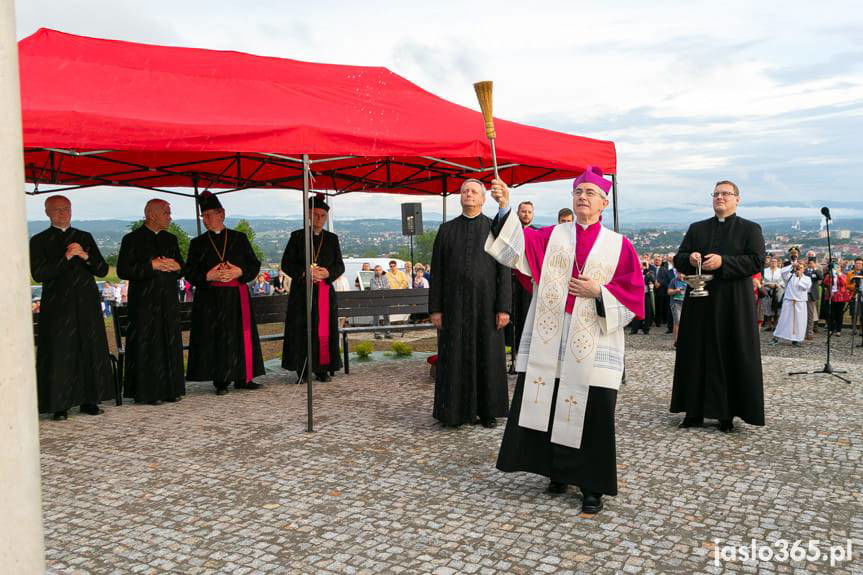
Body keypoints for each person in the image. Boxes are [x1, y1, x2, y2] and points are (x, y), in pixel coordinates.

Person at [486, 167, 644, 514]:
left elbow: (634, 298)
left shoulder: (620, 246)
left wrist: (598, 291)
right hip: (552, 338)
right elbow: (516, 248)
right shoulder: (552, 236)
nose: (582, 197)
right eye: (578, 192)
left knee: (592, 413)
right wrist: (504, 206)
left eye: (590, 193)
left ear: (603, 202)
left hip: (595, 342)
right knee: (552, 402)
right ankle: (556, 471)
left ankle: (592, 487)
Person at [671, 180, 765, 433]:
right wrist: (689, 259)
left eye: (725, 194)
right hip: (700, 305)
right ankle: (693, 411)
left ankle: (726, 414)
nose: (720, 198)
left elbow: (756, 261)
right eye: (716, 194)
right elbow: (678, 259)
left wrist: (724, 262)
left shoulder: (750, 229)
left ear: (737, 199)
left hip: (733, 304)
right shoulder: (697, 228)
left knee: (729, 352)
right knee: (695, 354)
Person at [430, 178, 511, 429]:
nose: (469, 195)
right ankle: (453, 412)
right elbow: (438, 271)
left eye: (474, 191)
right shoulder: (446, 230)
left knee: (487, 356)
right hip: (452, 307)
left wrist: (504, 307)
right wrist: (435, 309)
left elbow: (504, 270)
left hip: (487, 306)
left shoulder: (494, 228)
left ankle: (488, 411)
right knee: (453, 358)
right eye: (465, 191)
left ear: (483, 198)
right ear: (460, 197)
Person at [29, 195, 114, 420]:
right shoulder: (39, 240)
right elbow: (39, 274)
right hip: (58, 306)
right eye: (57, 210)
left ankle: (90, 399)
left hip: (86, 304)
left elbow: (103, 270)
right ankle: (60, 404)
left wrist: (85, 255)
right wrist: (66, 257)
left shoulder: (84, 237)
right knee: (60, 353)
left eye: (66, 209)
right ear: (47, 212)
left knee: (89, 349)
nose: (63, 213)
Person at [185, 191, 265, 394]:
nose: (206, 220)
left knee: (240, 336)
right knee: (217, 338)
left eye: (209, 215)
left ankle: (244, 377)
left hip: (237, 297)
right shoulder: (197, 243)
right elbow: (190, 272)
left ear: (222, 214)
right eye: (203, 216)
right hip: (210, 299)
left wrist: (239, 271)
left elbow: (253, 265)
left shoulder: (239, 238)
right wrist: (208, 276)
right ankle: (220, 380)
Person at [116, 199, 186, 404]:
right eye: (166, 213)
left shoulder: (171, 239)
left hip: (168, 301)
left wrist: (175, 267)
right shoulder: (132, 239)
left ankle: (171, 389)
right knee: (148, 346)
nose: (170, 217)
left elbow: (182, 266)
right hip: (144, 304)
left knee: (169, 342)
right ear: (152, 214)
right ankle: (148, 392)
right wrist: (151, 265)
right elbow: (123, 270)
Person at [281, 193, 345, 382]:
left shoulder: (332, 239)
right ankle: (301, 369)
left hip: (324, 292)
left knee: (323, 330)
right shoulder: (297, 237)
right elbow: (286, 264)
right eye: (315, 215)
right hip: (302, 293)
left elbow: (340, 265)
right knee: (301, 330)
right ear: (308, 215)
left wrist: (327, 273)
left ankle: (322, 369)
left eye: (322, 216)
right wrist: (303, 273)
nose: (319, 219)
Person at [772, 262, 811, 347]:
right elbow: (782, 272)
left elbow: (805, 287)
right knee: (783, 320)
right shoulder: (789, 277)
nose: (799, 269)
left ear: (804, 269)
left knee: (799, 322)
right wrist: (792, 265)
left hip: (800, 303)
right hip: (789, 302)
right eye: (797, 267)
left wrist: (800, 277)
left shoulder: (807, 278)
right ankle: (776, 337)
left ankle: (796, 339)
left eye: (801, 268)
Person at [823, 262, 850, 336]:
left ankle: (838, 330)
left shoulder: (843, 275)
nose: (836, 269)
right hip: (831, 296)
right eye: (835, 268)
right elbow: (825, 283)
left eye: (838, 268)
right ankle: (831, 329)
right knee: (831, 313)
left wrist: (839, 275)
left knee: (839, 314)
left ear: (840, 268)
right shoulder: (830, 275)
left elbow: (843, 283)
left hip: (840, 297)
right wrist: (829, 276)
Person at [629, 261, 655, 334]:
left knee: (647, 312)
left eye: (644, 264)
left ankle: (646, 329)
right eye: (641, 264)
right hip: (637, 295)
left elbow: (652, 280)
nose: (642, 265)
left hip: (646, 294)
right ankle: (634, 329)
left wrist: (647, 269)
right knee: (636, 312)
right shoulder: (634, 272)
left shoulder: (650, 272)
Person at [369, 264, 392, 339]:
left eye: (379, 270)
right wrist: (383, 288)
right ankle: (377, 333)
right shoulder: (372, 279)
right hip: (376, 300)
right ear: (374, 271)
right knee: (376, 317)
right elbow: (373, 289)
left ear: (382, 271)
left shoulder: (385, 278)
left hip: (385, 299)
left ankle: (387, 333)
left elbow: (388, 287)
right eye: (376, 270)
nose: (378, 271)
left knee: (386, 317)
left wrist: (380, 288)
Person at [762, 256, 784, 331]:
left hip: (778, 291)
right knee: (767, 308)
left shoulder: (781, 271)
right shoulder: (765, 270)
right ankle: (769, 325)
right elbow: (762, 280)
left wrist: (776, 285)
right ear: (769, 262)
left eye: (775, 261)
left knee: (777, 308)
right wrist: (767, 284)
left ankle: (776, 325)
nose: (773, 263)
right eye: (772, 261)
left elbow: (783, 281)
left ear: (777, 263)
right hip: (767, 291)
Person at [803, 256, 822, 339]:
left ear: (814, 263)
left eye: (812, 263)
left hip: (811, 295)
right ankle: (803, 332)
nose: (810, 264)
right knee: (803, 314)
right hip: (804, 294)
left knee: (810, 315)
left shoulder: (817, 271)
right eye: (809, 263)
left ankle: (809, 333)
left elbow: (820, 277)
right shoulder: (805, 271)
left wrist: (815, 269)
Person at [667, 270, 688, 344]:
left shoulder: (688, 280)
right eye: (679, 273)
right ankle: (676, 341)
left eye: (683, 273)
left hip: (686, 303)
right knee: (677, 321)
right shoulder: (674, 281)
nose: (681, 275)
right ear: (677, 273)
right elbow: (669, 292)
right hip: (676, 303)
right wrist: (676, 290)